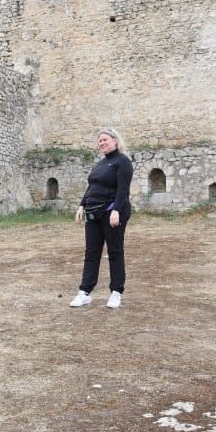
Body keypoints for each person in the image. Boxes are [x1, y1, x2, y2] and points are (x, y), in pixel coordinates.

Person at [70, 129, 133, 309]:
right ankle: (85, 292)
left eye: (105, 139)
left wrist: (116, 210)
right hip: (93, 212)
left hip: (111, 212)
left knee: (114, 251)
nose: (101, 143)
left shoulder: (123, 161)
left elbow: (123, 190)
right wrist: (82, 205)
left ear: (115, 140)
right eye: (99, 141)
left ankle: (116, 292)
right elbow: (91, 187)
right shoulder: (99, 165)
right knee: (91, 253)